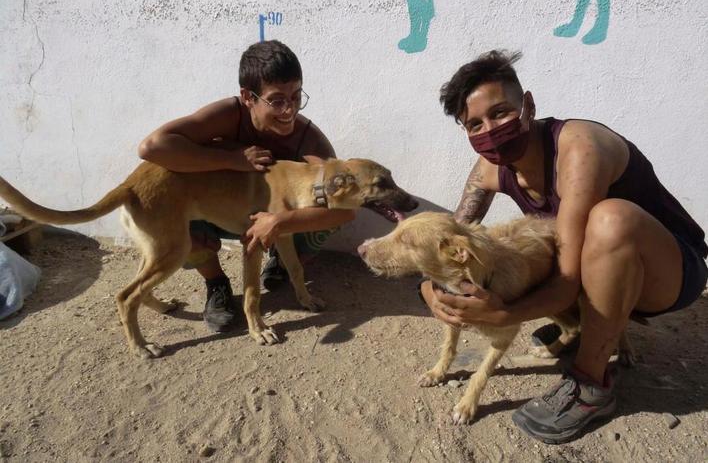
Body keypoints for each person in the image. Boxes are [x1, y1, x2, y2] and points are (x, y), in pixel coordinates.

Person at [419, 50, 707, 443]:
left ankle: (591, 384)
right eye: (474, 124)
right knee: (527, 250)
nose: (490, 130)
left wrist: (505, 314)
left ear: (529, 106)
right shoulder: (489, 169)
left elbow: (569, 279)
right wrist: (428, 290)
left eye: (501, 113)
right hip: (598, 273)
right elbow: (447, 239)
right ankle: (578, 331)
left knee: (608, 221)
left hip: (670, 271)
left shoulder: (578, 148)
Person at [138, 40, 355, 333]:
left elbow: (344, 211)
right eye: (277, 100)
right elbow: (152, 148)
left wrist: (280, 222)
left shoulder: (308, 139)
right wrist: (230, 159)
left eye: (296, 96)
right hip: (217, 210)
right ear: (247, 97)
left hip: (270, 213)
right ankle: (216, 285)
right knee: (183, 224)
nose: (289, 110)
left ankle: (281, 261)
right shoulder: (228, 115)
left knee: (321, 218)